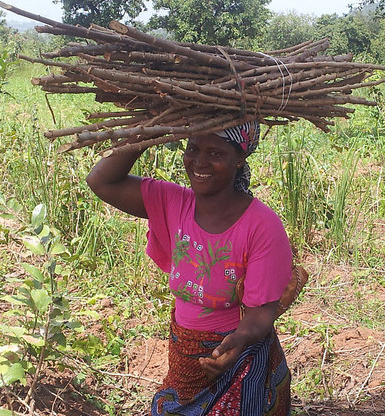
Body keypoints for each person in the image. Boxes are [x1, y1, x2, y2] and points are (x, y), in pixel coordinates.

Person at [86, 121, 293, 416]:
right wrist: (147, 130)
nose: (200, 162)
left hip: (240, 363)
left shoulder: (262, 226)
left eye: (215, 153)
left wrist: (240, 339)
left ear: (239, 160)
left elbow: (262, 311)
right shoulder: (172, 202)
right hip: (184, 357)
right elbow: (101, 181)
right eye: (193, 148)